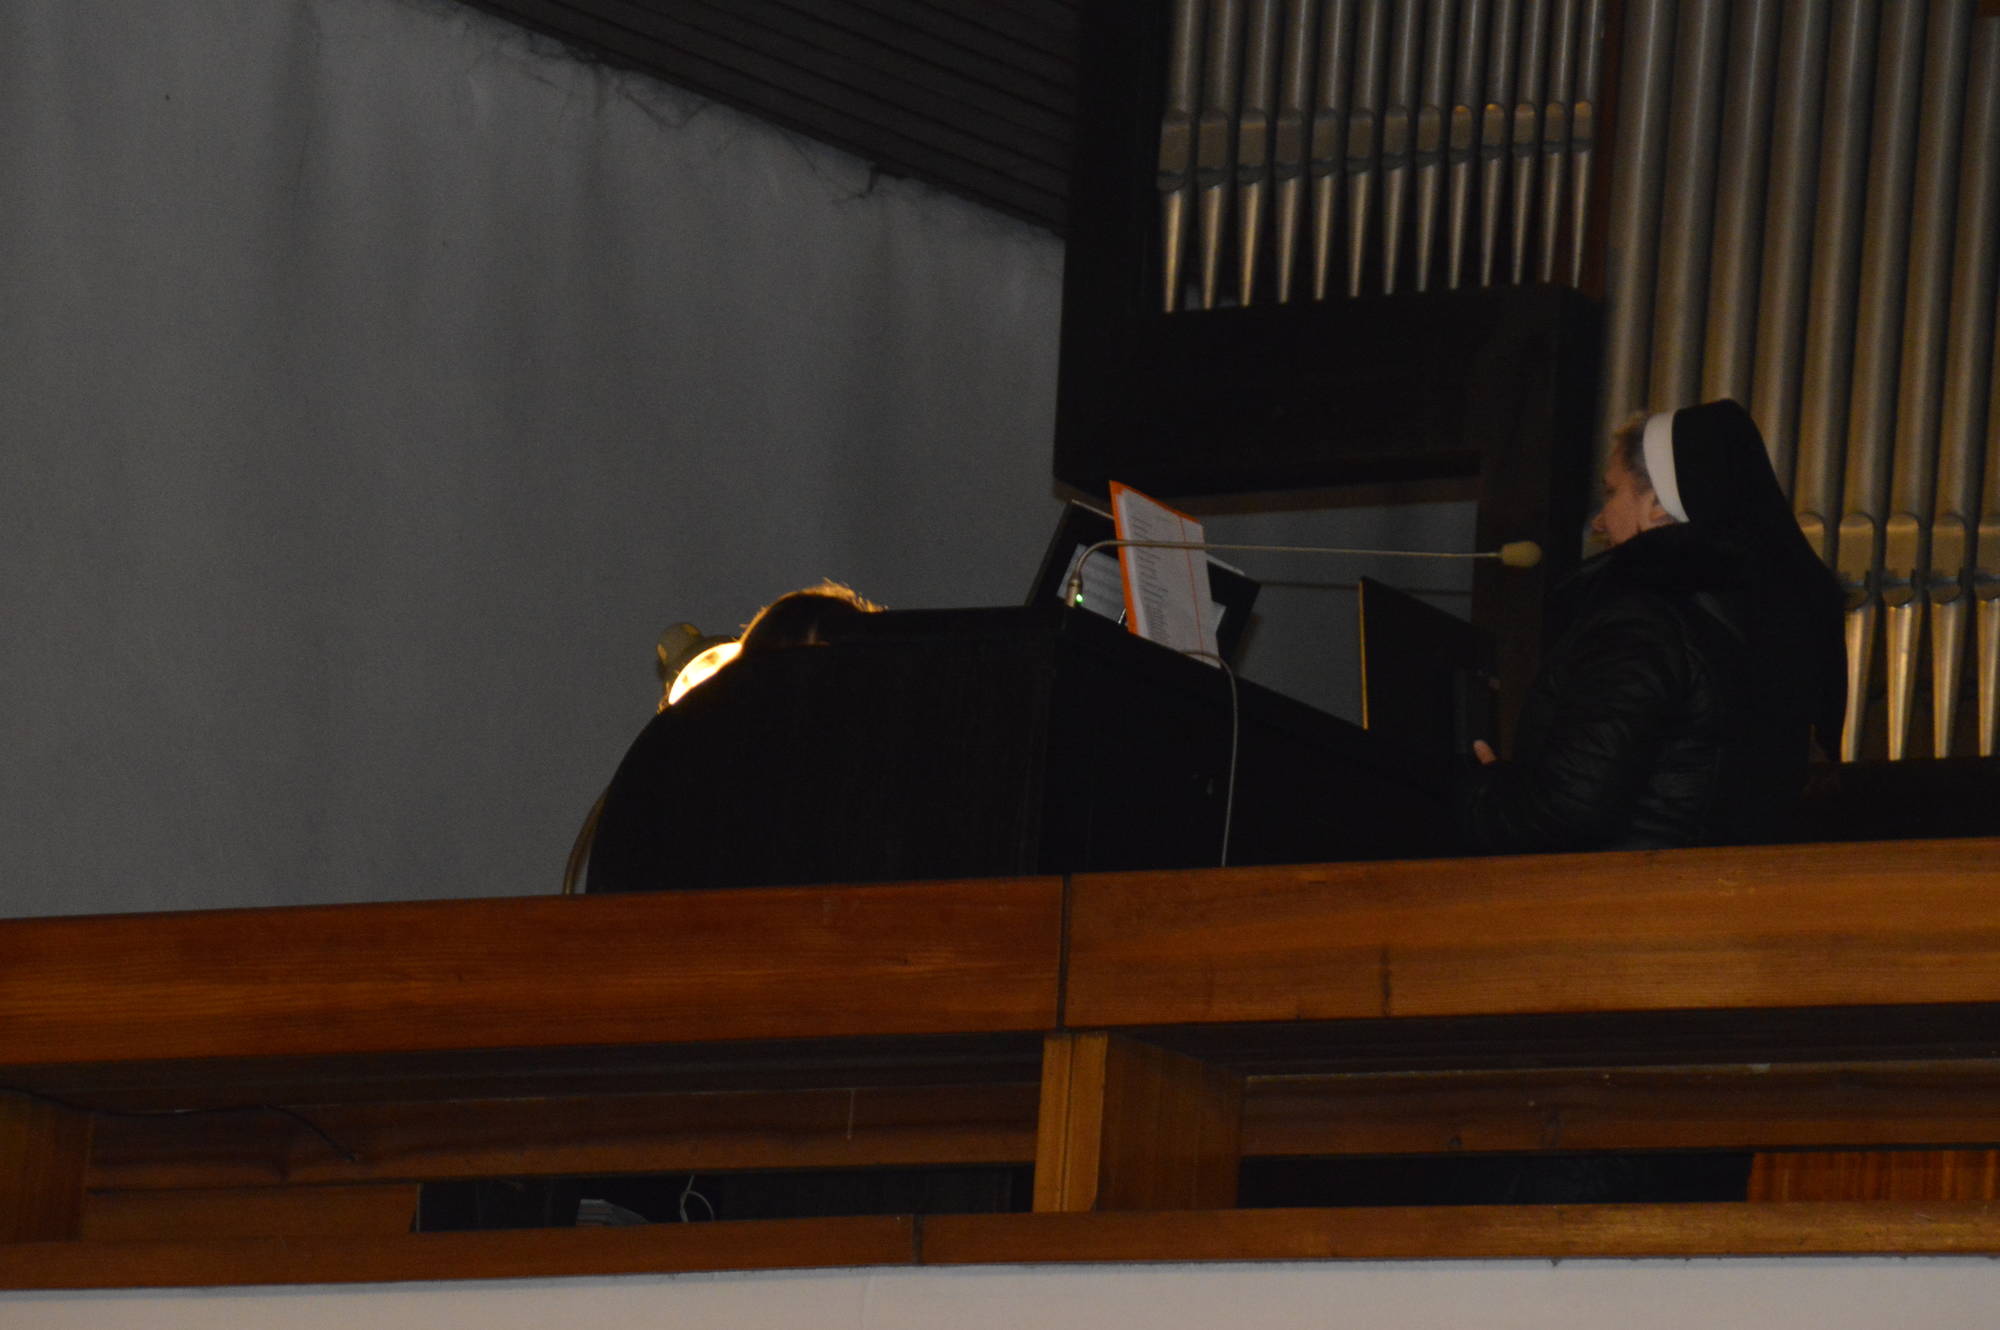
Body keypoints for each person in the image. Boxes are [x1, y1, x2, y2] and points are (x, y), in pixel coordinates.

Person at [1459, 399, 1846, 852]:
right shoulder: (1758, 625)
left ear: (1659, 504)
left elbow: (1568, 813)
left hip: (1625, 890)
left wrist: (1487, 791)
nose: (1599, 520)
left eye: (1611, 492)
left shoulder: (1644, 623)